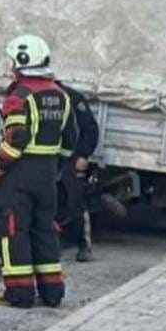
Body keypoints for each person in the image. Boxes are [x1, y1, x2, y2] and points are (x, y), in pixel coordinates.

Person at [0, 34, 76, 308]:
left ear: (21, 62)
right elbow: (70, 140)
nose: (11, 67)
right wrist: (55, 166)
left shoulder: (19, 96)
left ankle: (20, 293)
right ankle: (52, 292)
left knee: (14, 229)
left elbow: (16, 138)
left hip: (20, 175)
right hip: (48, 176)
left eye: (13, 61)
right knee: (45, 231)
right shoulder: (62, 96)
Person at [57, 82, 99, 263]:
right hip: (47, 158)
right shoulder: (37, 96)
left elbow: (90, 129)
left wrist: (83, 155)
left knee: (76, 201)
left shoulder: (73, 98)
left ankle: (84, 245)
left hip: (71, 158)